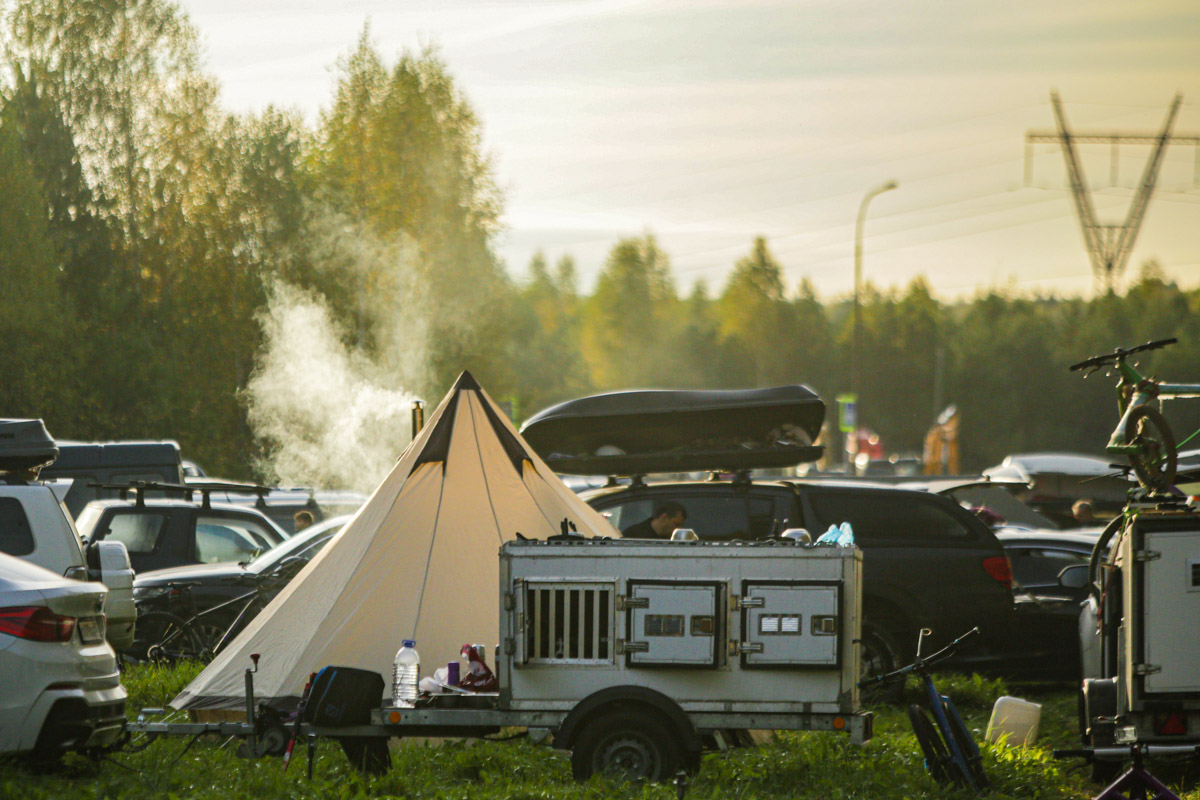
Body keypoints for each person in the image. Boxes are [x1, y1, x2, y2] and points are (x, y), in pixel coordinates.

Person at [621, 501, 687, 540]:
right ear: (664, 518)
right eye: (676, 524)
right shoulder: (633, 535)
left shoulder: (672, 539)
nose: (679, 529)